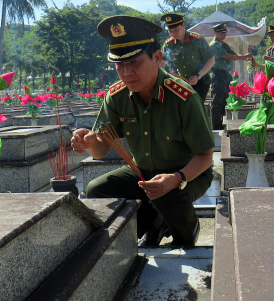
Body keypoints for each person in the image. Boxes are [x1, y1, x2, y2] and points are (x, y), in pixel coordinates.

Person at [71, 15, 215, 248]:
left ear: (157, 58)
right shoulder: (117, 96)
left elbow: (205, 156)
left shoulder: (183, 97)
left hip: (188, 172)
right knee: (95, 189)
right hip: (143, 172)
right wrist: (89, 141)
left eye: (135, 63)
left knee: (170, 201)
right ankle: (151, 221)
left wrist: (176, 179)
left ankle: (188, 227)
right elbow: (100, 149)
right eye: (119, 65)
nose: (127, 73)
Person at [160, 13, 215, 101]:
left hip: (200, 81)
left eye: (176, 29)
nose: (173, 33)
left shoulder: (198, 40)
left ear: (183, 25)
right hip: (180, 82)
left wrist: (198, 76)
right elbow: (162, 63)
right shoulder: (168, 45)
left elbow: (211, 60)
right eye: (170, 31)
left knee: (197, 111)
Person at [209, 22, 252, 130]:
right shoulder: (214, 45)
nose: (224, 35)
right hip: (217, 74)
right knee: (217, 100)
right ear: (215, 33)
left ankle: (223, 121)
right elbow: (228, 56)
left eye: (225, 32)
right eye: (221, 33)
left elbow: (234, 53)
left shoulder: (223, 44)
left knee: (226, 99)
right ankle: (216, 125)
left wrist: (244, 56)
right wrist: (243, 57)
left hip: (225, 74)